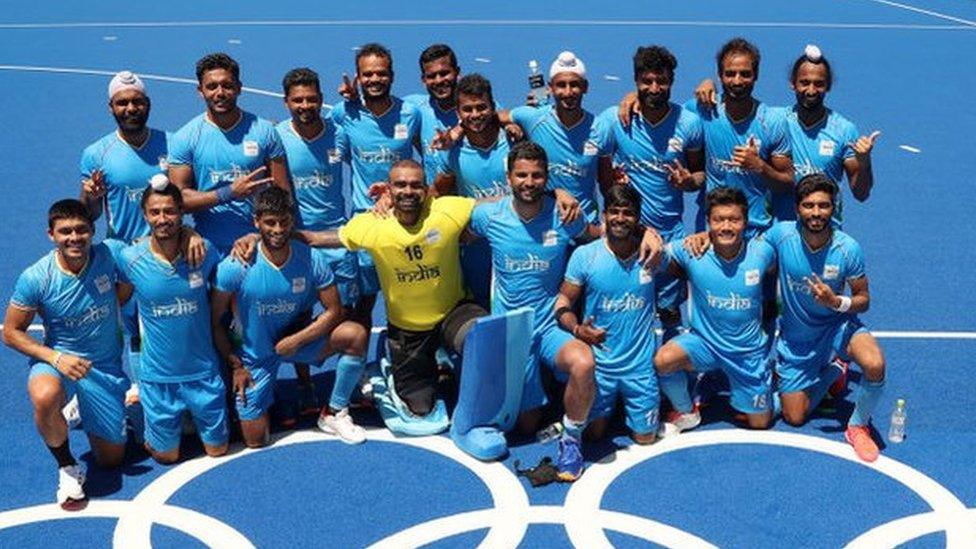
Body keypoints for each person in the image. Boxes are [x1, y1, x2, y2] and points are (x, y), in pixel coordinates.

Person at [469, 142, 662, 481]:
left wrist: (647, 231)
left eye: (537, 175)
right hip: (512, 329)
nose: (529, 182)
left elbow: (604, 232)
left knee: (584, 362)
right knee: (526, 424)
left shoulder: (565, 216)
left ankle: (570, 441)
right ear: (509, 177)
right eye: (522, 175)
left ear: (547, 177)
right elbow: (445, 219)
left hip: (549, 325)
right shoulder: (488, 216)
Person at [688, 175, 887, 460]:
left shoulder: (848, 248)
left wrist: (836, 301)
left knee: (875, 364)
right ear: (797, 209)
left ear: (834, 209)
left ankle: (857, 427)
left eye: (823, 205)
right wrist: (705, 236)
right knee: (795, 417)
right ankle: (834, 373)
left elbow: (863, 300)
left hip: (837, 326)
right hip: (797, 339)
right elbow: (740, 242)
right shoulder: (780, 235)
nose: (816, 212)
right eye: (809, 205)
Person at [212, 187, 369, 446]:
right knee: (255, 440)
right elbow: (215, 321)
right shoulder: (234, 267)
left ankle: (334, 411)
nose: (277, 229)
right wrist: (236, 365)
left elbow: (334, 311)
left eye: (284, 222)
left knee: (355, 334)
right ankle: (269, 395)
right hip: (254, 358)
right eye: (270, 222)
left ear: (292, 220)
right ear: (256, 222)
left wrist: (297, 340)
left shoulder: (311, 258)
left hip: (293, 345)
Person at [3, 200, 127, 510]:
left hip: (104, 367)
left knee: (111, 460)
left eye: (81, 230)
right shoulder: (36, 278)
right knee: (45, 396)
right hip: (60, 363)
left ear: (92, 231)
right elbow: (11, 332)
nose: (74, 237)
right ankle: (68, 466)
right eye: (65, 231)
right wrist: (56, 358)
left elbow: (131, 276)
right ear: (51, 235)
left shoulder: (109, 255)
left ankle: (79, 409)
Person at [692, 45, 880, 227]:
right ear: (793, 83)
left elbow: (861, 194)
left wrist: (864, 162)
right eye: (805, 82)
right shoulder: (776, 120)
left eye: (819, 84)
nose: (811, 90)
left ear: (828, 86)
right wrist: (709, 84)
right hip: (781, 230)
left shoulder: (844, 130)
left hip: (825, 231)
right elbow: (738, 102)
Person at [597, 45, 706, 343]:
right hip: (627, 234)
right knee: (625, 307)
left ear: (672, 81)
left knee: (670, 310)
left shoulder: (688, 123)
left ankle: (671, 376)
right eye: (647, 81)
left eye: (662, 81)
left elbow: (700, 175)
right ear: (635, 81)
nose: (654, 88)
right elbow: (602, 173)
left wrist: (688, 182)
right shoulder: (614, 121)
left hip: (670, 233)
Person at [116, 182, 228, 463]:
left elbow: (231, 275)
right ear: (144, 214)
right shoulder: (130, 259)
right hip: (158, 378)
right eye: (155, 212)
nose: (162, 219)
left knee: (218, 451)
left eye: (169, 211)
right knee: (166, 457)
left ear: (181, 212)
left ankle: (184, 420)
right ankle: (146, 420)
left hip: (204, 374)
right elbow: (116, 300)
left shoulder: (204, 252)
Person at [79, 70, 170, 409]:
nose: (130, 108)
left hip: (165, 252)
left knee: (167, 323)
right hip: (122, 252)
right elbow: (89, 215)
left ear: (147, 104)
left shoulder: (172, 144)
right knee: (129, 327)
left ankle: (160, 385)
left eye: (137, 101)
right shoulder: (96, 154)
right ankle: (133, 385)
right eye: (123, 103)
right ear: (111, 107)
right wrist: (90, 196)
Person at [276, 67, 361, 417]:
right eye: (298, 100)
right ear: (286, 102)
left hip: (337, 239)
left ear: (322, 100)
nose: (305, 105)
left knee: (347, 311)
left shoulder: (340, 135)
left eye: (312, 98)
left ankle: (348, 387)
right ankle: (306, 384)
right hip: (298, 242)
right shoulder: (277, 138)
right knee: (299, 316)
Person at [654, 188, 777, 431]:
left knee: (761, 423)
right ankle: (686, 410)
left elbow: (773, 272)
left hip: (746, 354)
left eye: (734, 220)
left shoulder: (763, 253)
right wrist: (648, 234)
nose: (727, 227)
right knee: (663, 361)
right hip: (705, 344)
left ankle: (769, 383)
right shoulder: (692, 250)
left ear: (746, 222)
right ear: (708, 222)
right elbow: (657, 253)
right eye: (719, 220)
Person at [555, 185, 667, 444]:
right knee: (593, 437)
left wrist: (702, 237)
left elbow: (689, 259)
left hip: (640, 369)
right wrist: (577, 330)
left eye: (628, 213)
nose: (620, 218)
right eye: (614, 212)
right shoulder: (585, 256)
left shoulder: (653, 254)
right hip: (601, 368)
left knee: (646, 438)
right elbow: (562, 302)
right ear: (604, 215)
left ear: (638, 218)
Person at [332, 43, 422, 325]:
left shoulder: (410, 113)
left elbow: (424, 161)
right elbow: (338, 152)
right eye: (367, 74)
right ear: (358, 79)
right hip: (366, 218)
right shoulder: (343, 113)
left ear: (392, 76)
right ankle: (361, 365)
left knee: (408, 296)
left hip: (406, 217)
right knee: (364, 302)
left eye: (380, 73)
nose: (374, 80)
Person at [168, 52, 289, 255]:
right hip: (207, 248)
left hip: (258, 244)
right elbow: (177, 201)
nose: (220, 92)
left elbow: (283, 194)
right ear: (200, 91)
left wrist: (259, 235)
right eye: (212, 86)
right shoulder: (185, 137)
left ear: (239, 88)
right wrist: (228, 193)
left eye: (227, 85)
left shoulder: (264, 131)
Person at [502, 51, 603, 223]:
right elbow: (494, 116)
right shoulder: (533, 118)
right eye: (561, 85)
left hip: (586, 225)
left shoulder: (599, 128)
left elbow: (606, 181)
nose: (568, 92)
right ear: (550, 87)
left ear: (585, 87)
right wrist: (509, 125)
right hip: (545, 223)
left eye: (575, 85)